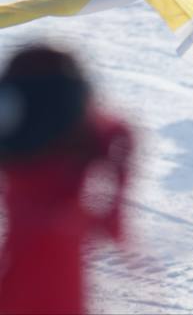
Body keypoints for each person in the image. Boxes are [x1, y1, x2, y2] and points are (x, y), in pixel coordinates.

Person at [0, 45, 134, 315]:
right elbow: (118, 132)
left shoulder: (19, 153)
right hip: (60, 281)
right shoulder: (85, 141)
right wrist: (112, 215)